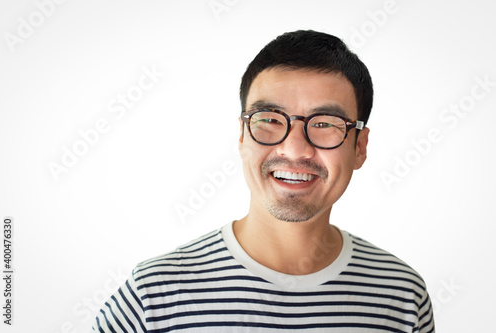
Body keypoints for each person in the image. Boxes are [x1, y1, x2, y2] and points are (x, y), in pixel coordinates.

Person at [92, 30, 435, 332]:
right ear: (242, 135)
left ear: (359, 147)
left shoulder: (402, 297)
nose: (295, 149)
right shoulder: (152, 294)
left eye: (324, 123)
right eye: (269, 118)